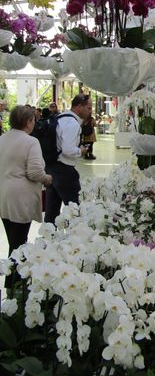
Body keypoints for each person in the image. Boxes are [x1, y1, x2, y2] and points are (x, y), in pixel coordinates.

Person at [0, 106, 52, 288]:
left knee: (13, 241)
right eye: (33, 120)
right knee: (19, 243)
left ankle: (12, 281)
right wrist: (47, 179)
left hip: (4, 195)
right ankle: (16, 283)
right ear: (28, 122)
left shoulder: (2, 139)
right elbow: (35, 172)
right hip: (21, 197)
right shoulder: (30, 142)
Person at [44, 94, 91, 224]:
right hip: (64, 170)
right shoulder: (72, 123)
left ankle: (50, 239)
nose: (90, 111)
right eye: (88, 107)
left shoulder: (61, 117)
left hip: (51, 167)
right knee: (74, 209)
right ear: (79, 106)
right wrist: (80, 151)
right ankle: (76, 237)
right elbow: (68, 149)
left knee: (52, 210)